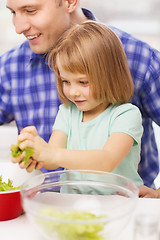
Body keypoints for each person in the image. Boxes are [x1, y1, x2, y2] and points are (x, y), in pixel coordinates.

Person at [1, 0, 160, 188]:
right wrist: (36, 151)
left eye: (31, 10)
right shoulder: (68, 112)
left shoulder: (126, 112)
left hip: (122, 205)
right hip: (62, 206)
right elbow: (52, 158)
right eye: (65, 82)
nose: (19, 28)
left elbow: (106, 161)